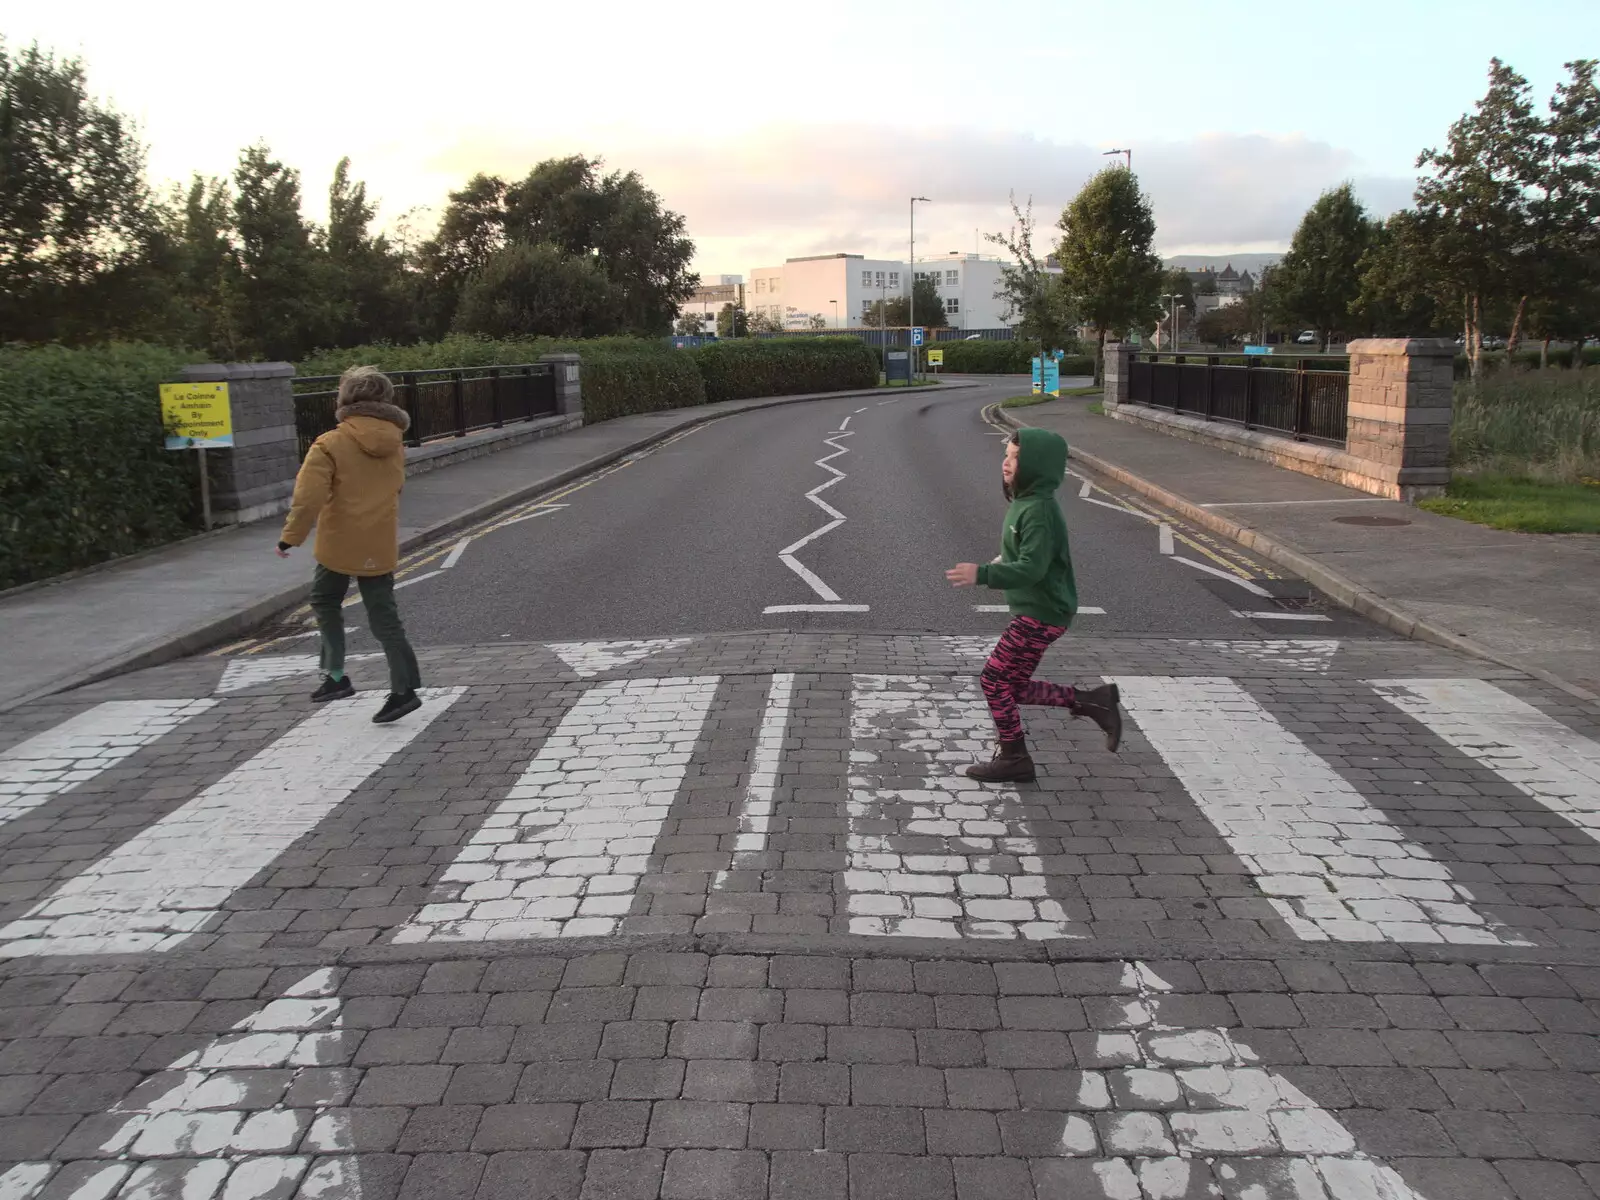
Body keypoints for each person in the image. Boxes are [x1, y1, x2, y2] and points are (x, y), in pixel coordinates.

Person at [946, 427, 1122, 782]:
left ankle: (1014, 757)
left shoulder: (1038, 510)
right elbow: (1025, 552)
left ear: (1037, 466)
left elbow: (1033, 568)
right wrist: (1000, 561)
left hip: (1041, 613)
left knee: (993, 681)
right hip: (1039, 611)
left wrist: (983, 574)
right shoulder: (1027, 502)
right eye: (1007, 455)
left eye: (1015, 458)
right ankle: (1093, 702)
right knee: (1013, 687)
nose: (1006, 463)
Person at [276, 365, 423, 724]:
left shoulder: (329, 443)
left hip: (338, 544)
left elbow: (308, 498)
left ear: (345, 400)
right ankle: (404, 689)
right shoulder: (394, 442)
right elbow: (396, 487)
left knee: (325, 600)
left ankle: (337, 676)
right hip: (380, 541)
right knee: (385, 618)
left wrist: (290, 537)